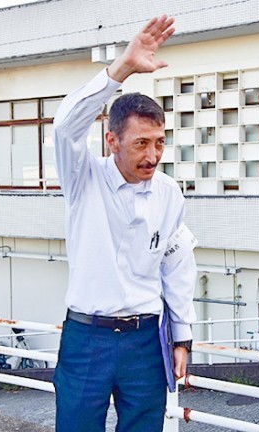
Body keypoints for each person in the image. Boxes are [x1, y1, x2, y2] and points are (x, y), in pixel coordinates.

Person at [51, 15, 197, 432]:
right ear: (112, 141)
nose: (152, 156)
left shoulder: (169, 193)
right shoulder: (83, 178)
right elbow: (65, 127)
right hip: (87, 338)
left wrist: (182, 337)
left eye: (159, 143)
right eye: (141, 143)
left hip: (145, 340)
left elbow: (177, 264)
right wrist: (122, 69)